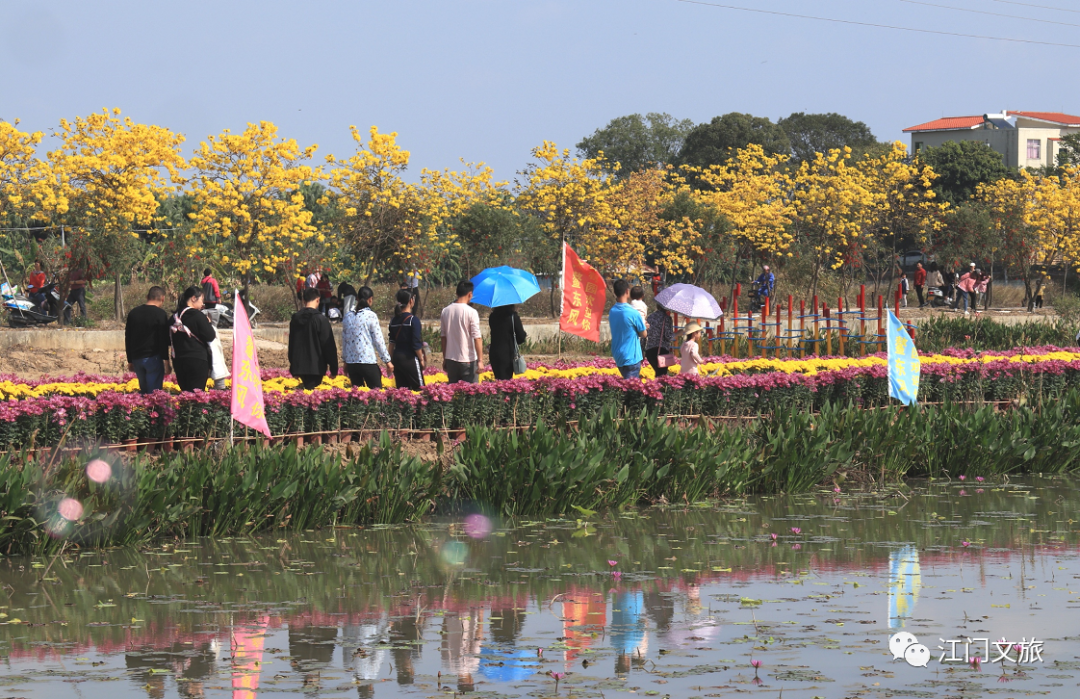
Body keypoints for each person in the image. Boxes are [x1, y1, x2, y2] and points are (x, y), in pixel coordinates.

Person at [342, 286, 392, 389]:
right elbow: (378, 341)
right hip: (367, 362)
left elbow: (345, 340)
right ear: (370, 299)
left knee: (358, 396)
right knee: (376, 394)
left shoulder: (348, 316)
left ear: (357, 299)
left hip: (352, 364)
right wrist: (387, 361)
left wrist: (345, 361)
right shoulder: (370, 316)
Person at [289, 288, 339, 390]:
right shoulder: (321, 319)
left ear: (303, 301)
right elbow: (328, 346)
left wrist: (293, 367)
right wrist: (334, 368)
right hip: (316, 367)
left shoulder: (295, 318)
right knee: (312, 398)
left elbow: (292, 343)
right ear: (317, 300)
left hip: (299, 366)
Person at [125, 286, 172, 394]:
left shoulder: (133, 313)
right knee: (153, 394)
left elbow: (128, 337)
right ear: (162, 298)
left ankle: (144, 410)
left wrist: (130, 360)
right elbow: (163, 340)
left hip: (137, 359)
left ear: (147, 297)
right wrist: (166, 362)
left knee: (144, 391)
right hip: (153, 358)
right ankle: (152, 411)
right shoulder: (160, 314)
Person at [170, 286, 217, 392]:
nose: (202, 304)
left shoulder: (174, 317)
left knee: (185, 393)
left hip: (179, 360)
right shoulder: (198, 316)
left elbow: (168, 339)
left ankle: (186, 409)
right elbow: (210, 336)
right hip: (197, 360)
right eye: (201, 300)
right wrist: (208, 323)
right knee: (197, 394)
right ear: (193, 298)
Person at [440, 281, 483, 384]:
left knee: (453, 392)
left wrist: (445, 358)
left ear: (457, 293)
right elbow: (477, 338)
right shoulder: (471, 312)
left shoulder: (445, 311)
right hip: (467, 359)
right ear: (470, 294)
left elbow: (443, 337)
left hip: (450, 359)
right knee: (470, 393)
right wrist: (480, 360)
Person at [609, 279, 647, 379]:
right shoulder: (633, 313)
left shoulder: (612, 311)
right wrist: (645, 327)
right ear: (627, 291)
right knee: (631, 390)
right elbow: (643, 334)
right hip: (631, 356)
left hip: (618, 355)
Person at [389, 289, 425, 390]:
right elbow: (416, 343)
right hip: (409, 358)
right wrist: (421, 359)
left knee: (402, 391)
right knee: (420, 389)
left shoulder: (393, 320)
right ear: (411, 301)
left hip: (397, 358)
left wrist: (390, 360)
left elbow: (391, 343)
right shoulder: (413, 320)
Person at [488, 304, 527, 380]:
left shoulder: (492, 316)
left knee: (498, 379)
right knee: (506, 382)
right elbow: (521, 336)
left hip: (494, 352)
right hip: (507, 353)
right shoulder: (512, 317)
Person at [644, 307, 674, 377]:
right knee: (662, 376)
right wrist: (678, 333)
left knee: (658, 374)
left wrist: (642, 349)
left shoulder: (650, 317)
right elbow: (668, 336)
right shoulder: (666, 318)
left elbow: (644, 335)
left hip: (649, 350)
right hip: (661, 350)